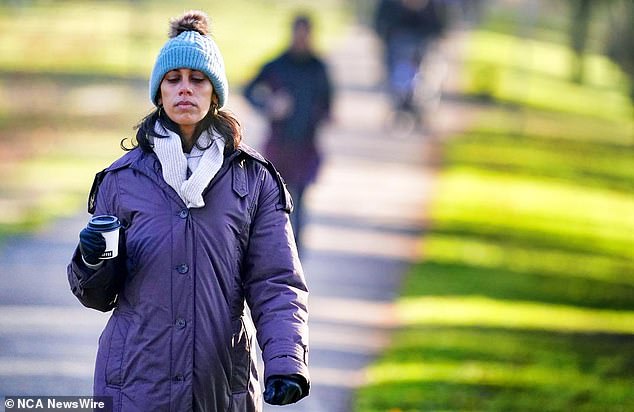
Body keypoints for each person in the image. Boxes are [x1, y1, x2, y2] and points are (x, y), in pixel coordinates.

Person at [67, 10, 309, 412]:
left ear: (215, 93)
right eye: (173, 79)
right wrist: (91, 259)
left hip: (220, 386)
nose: (185, 89)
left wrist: (285, 361)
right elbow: (97, 295)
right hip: (134, 386)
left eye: (198, 79)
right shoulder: (121, 179)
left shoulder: (254, 180)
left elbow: (276, 281)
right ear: (158, 92)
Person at [243, 15, 333, 252]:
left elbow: (328, 100)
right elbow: (249, 89)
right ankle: (274, 247)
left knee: (300, 200)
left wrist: (321, 115)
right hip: (278, 143)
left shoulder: (318, 67)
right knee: (275, 199)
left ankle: (296, 252)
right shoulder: (277, 65)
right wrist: (269, 105)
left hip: (306, 143)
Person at [374, 0, 446, 119]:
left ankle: (415, 102)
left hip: (420, 46)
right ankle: (399, 101)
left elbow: (436, 26)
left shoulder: (428, 5)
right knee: (397, 74)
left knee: (422, 74)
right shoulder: (390, 4)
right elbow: (381, 23)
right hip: (397, 44)